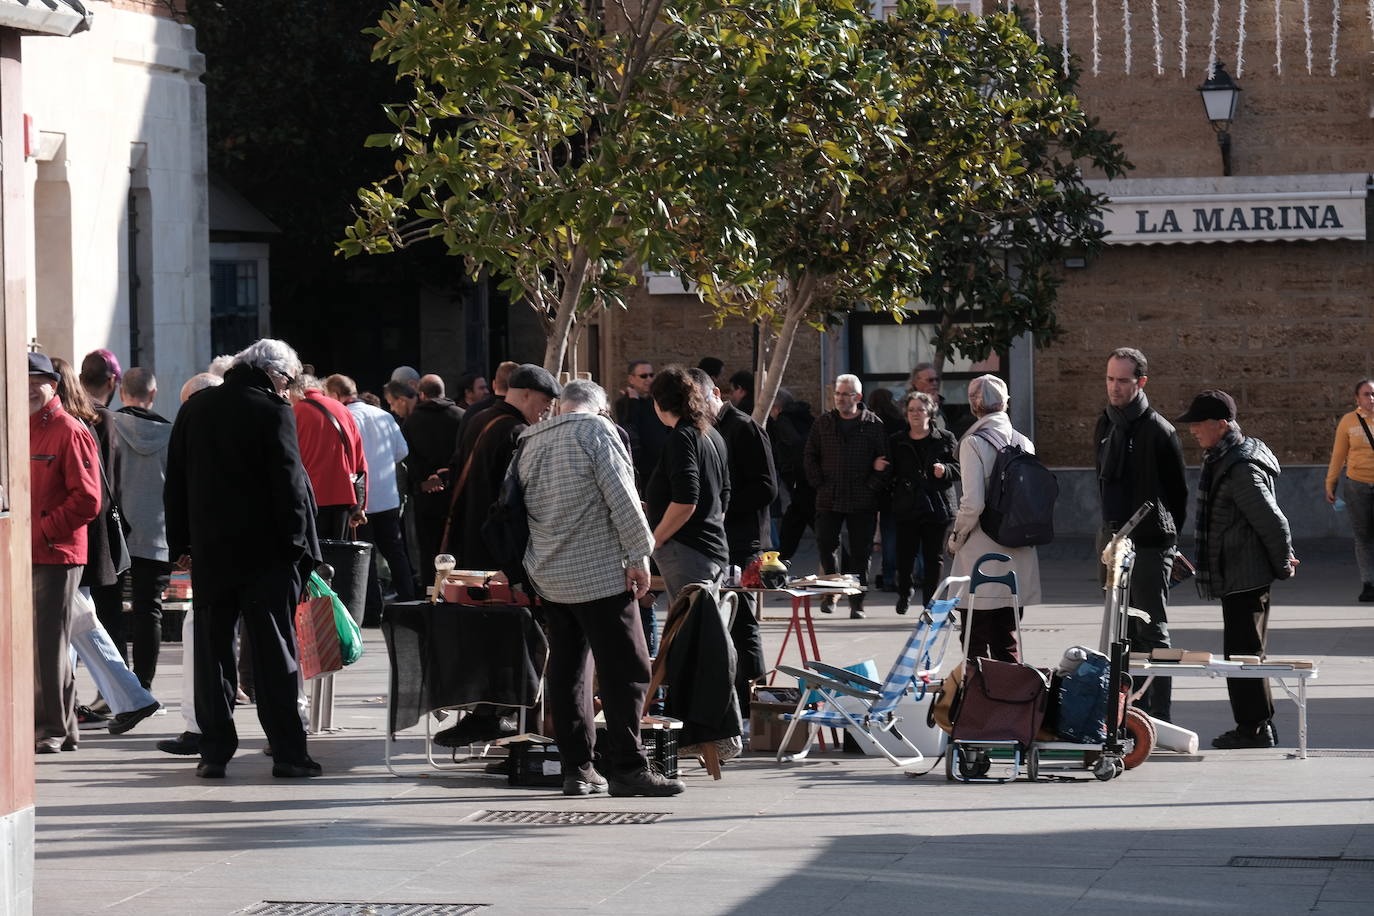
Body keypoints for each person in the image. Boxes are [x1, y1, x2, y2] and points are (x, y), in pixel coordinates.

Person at [164, 338, 323, 778]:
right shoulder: (272, 410)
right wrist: (297, 547)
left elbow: (174, 481)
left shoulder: (195, 408)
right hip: (266, 555)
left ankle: (214, 751)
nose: (289, 390)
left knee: (213, 650)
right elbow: (289, 483)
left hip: (211, 552)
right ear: (275, 374)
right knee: (274, 653)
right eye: (289, 382)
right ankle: (288, 752)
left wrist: (181, 546)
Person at [519, 379, 684, 797]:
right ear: (600, 406)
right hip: (598, 572)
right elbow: (623, 498)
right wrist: (639, 555)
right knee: (626, 668)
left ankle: (577, 768)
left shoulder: (530, 440)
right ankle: (627, 767)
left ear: (561, 405)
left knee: (568, 669)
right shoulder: (596, 430)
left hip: (550, 572)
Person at [1178, 390, 1299, 749]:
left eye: (1199, 424)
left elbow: (1273, 522)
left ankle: (1255, 728)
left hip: (1245, 575)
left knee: (1244, 656)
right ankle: (1257, 726)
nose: (1193, 431)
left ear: (1221, 425)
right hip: (1236, 572)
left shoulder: (1240, 468)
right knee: (1243, 654)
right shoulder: (1223, 458)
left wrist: (1282, 563)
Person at [1095, 348, 1189, 722]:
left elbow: (1177, 494)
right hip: (1114, 543)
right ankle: (1127, 713)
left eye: (1122, 380)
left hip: (1150, 542)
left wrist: (1167, 540)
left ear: (1141, 382)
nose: (1114, 387)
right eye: (1110, 379)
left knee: (1152, 628)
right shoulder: (1105, 423)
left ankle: (1159, 715)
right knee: (1122, 633)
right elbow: (1100, 480)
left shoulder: (1159, 429)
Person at [689, 368, 775, 716]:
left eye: (699, 399)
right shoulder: (703, 431)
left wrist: (723, 509)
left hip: (743, 541)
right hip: (715, 541)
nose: (695, 407)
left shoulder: (743, 427)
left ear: (716, 394)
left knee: (744, 624)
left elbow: (767, 487)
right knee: (722, 627)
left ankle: (755, 703)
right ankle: (733, 701)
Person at [29, 352, 102, 753]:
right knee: (48, 641)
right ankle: (64, 727)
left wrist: (41, 531)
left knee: (47, 644)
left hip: (54, 552)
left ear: (52, 385)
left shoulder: (67, 430)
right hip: (36, 550)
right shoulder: (26, 427)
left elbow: (88, 501)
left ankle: (50, 729)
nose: (24, 388)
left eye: (34, 380)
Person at [947, 374, 1041, 663]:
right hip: (1018, 552)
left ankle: (979, 704)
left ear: (974, 406)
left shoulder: (973, 442)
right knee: (1007, 642)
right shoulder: (1024, 442)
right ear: (1006, 403)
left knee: (975, 645)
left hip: (980, 555)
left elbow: (972, 503)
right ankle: (1011, 704)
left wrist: (956, 538)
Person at [444, 364, 559, 569]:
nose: (548, 407)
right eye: (545, 400)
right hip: (499, 545)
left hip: (469, 533)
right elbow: (519, 498)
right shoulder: (520, 433)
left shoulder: (478, 418)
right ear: (526, 394)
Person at [105, 367, 175, 691]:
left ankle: (121, 688)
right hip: (156, 533)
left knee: (110, 609)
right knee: (150, 610)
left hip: (114, 533)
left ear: (121, 393)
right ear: (154, 394)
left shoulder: (107, 427)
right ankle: (144, 685)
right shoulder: (171, 434)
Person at [324, 373, 415, 621]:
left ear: (334, 394)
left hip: (362, 498)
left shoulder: (344, 417)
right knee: (395, 552)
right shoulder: (384, 415)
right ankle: (410, 601)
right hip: (387, 496)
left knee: (366, 556)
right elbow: (401, 452)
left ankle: (372, 611)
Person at [803, 374, 888, 618]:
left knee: (861, 553)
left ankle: (857, 601)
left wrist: (871, 485)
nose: (840, 398)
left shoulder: (873, 424)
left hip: (862, 499)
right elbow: (809, 455)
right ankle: (832, 592)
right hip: (829, 496)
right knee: (827, 546)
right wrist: (819, 483)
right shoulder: (823, 423)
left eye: (846, 394)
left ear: (858, 397)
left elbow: (884, 461)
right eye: (838, 394)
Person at [646, 366, 730, 601]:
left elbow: (686, 500)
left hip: (688, 551)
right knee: (699, 627)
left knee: (690, 630)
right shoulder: (710, 434)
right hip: (709, 548)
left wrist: (656, 539)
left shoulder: (683, 437)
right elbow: (723, 497)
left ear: (659, 403)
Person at [878, 392, 959, 615]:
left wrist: (945, 470)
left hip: (937, 505)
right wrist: (881, 470)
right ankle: (905, 592)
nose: (915, 414)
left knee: (934, 558)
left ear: (930, 412)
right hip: (907, 505)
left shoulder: (945, 438)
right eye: (911, 410)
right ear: (906, 413)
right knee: (905, 555)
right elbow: (889, 472)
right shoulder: (896, 440)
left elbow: (959, 469)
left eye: (920, 410)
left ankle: (930, 603)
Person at [76, 349, 126, 680]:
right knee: (99, 614)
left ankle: (120, 694)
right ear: (112, 381)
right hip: (98, 531)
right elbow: (111, 479)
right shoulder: (104, 419)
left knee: (82, 615)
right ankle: (121, 692)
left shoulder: (70, 416)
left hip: (75, 530)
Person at [290, 375, 368, 540]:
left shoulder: (294, 412)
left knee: (314, 558)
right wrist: (360, 505)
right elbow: (360, 459)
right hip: (344, 496)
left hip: (310, 498)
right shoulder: (342, 409)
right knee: (338, 556)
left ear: (295, 393)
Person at [404, 374, 464, 578]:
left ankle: (430, 591)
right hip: (454, 492)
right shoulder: (461, 416)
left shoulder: (411, 421)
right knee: (453, 545)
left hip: (425, 493)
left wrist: (424, 479)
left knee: (428, 548)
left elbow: (408, 458)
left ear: (421, 394)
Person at [1324, 377, 1374, 601]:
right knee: (1363, 536)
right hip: (1357, 485)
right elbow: (1338, 455)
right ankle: (1368, 583)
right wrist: (1330, 482)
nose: (1371, 398)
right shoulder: (1348, 421)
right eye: (1366, 394)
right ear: (1357, 398)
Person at [865, 387, 906, 591]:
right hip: (895, 484)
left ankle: (886, 576)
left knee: (881, 533)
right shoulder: (899, 422)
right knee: (894, 533)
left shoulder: (870, 423)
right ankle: (894, 575)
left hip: (876, 483)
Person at [768, 389, 816, 560]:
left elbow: (795, 445)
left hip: (799, 480)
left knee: (802, 524)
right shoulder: (803, 416)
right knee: (793, 525)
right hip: (806, 480)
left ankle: (777, 564)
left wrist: (790, 473)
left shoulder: (782, 421)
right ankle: (778, 563)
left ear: (776, 407)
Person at [613, 360, 670, 492]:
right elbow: (629, 426)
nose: (648, 379)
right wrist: (634, 402)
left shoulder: (659, 400)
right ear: (631, 379)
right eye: (643, 376)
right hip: (642, 465)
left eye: (651, 375)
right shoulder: (624, 403)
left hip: (661, 463)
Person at [909, 362, 973, 438]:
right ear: (916, 383)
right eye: (930, 380)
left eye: (936, 379)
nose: (935, 383)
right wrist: (930, 406)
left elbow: (958, 420)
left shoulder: (942, 403)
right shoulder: (907, 405)